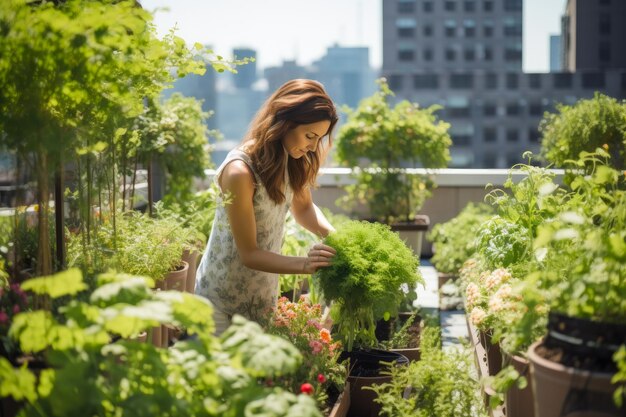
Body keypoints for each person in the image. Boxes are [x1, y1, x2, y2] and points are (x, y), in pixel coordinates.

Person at [195, 79, 339, 335]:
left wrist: (336, 238)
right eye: (309, 136)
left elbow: (304, 209)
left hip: (261, 297)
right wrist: (306, 264)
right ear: (284, 121)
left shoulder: (294, 158)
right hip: (220, 302)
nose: (313, 147)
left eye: (318, 139)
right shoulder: (240, 171)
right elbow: (249, 253)